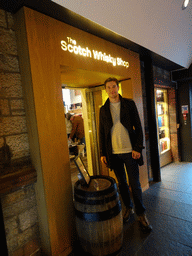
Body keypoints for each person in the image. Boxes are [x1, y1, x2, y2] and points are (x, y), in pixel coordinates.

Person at [99, 77, 152, 232]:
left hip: (130, 152)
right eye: (108, 87)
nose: (112, 90)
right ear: (106, 90)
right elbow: (102, 133)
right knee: (121, 183)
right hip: (113, 153)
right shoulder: (103, 109)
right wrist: (103, 152)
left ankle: (141, 214)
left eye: (114, 86)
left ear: (118, 87)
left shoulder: (129, 104)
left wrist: (137, 147)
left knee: (134, 184)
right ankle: (128, 208)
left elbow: (139, 127)